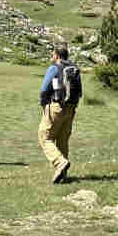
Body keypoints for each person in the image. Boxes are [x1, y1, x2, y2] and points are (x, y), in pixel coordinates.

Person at [38, 44, 81, 183]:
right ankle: (63, 175)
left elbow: (44, 88)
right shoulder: (74, 69)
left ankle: (59, 163)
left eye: (52, 54)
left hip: (56, 107)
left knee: (45, 137)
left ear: (57, 55)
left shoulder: (54, 68)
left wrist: (44, 105)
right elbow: (79, 92)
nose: (51, 56)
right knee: (62, 141)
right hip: (71, 108)